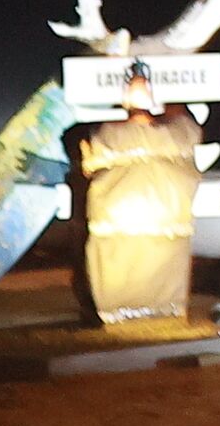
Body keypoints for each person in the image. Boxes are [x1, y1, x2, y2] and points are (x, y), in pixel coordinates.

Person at [75, 63, 206, 323]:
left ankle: (153, 307)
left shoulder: (112, 135)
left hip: (155, 217)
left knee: (150, 258)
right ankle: (122, 308)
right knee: (122, 259)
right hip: (129, 218)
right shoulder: (111, 134)